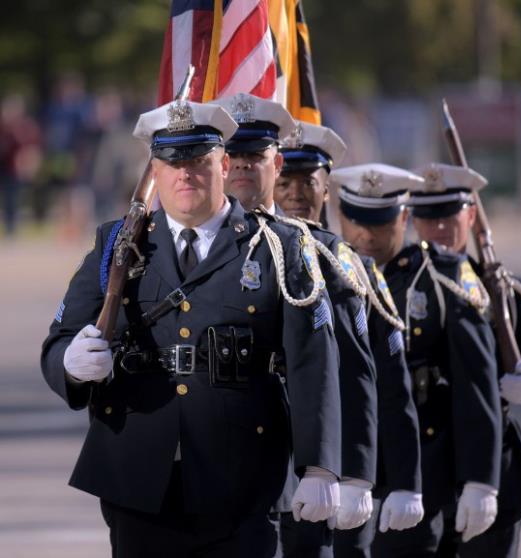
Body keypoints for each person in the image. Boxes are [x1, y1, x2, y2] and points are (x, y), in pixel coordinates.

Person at [40, 99, 343, 558]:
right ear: (155, 171)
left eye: (198, 162)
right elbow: (60, 336)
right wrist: (70, 363)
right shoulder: (118, 244)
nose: (185, 175)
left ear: (223, 164)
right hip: (137, 477)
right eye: (172, 162)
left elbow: (311, 359)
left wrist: (320, 465)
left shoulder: (277, 246)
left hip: (243, 477)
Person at [211, 94, 380, 557]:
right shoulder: (198, 246)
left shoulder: (319, 251)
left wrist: (352, 470)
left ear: (274, 162)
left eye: (256, 156)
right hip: (226, 461)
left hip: (302, 460)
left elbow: (350, 368)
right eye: (235, 156)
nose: (244, 166)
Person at [332, 163, 503, 557]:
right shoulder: (325, 270)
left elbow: (475, 381)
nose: (367, 235)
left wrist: (480, 480)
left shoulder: (441, 276)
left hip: (420, 465)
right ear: (341, 215)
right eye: (357, 220)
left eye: (380, 222)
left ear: (403, 217)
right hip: (341, 464)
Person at [275, 127, 425, 558]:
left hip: (332, 472)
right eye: (285, 182)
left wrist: (391, 479)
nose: (296, 194)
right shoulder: (249, 252)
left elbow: (383, 379)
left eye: (309, 183)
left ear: (328, 189)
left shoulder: (346, 264)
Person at [410, 162, 521, 558]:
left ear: (470, 216)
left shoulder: (504, 289)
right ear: (414, 221)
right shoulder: (396, 288)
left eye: (450, 217)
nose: (441, 229)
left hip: (496, 468)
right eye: (430, 219)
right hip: (419, 468)